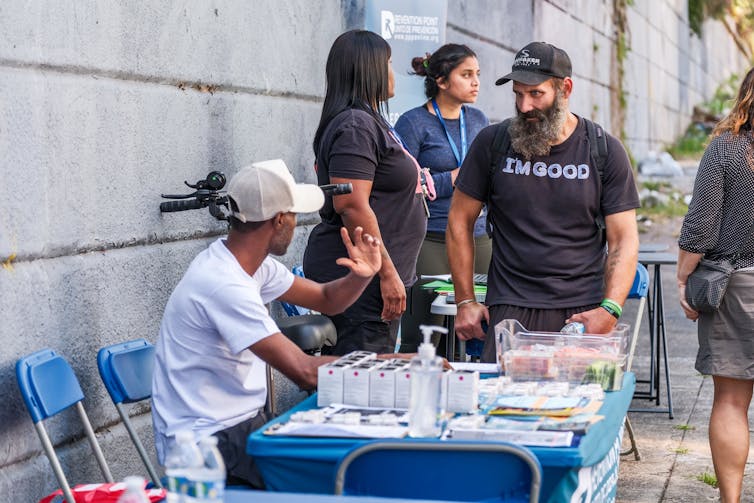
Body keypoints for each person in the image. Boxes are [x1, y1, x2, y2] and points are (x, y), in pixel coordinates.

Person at [152, 159, 388, 488]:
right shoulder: (223, 283)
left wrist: (361, 276)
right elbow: (304, 371)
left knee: (345, 457)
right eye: (293, 215)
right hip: (207, 445)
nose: (295, 222)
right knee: (344, 477)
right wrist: (389, 367)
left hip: (241, 427)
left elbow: (326, 298)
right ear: (279, 220)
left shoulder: (249, 264)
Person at [446, 41, 640, 362]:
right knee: (504, 409)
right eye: (518, 94)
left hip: (582, 312)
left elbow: (623, 239)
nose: (524, 106)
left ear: (565, 88)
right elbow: (459, 221)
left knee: (580, 410)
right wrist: (465, 300)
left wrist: (610, 308)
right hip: (509, 308)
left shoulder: (604, 150)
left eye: (536, 94)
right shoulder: (492, 143)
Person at [303, 30, 427, 355]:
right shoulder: (356, 126)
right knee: (361, 382)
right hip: (363, 279)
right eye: (387, 63)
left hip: (372, 279)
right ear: (369, 69)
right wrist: (386, 274)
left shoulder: (368, 121)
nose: (392, 72)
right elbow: (352, 205)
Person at [677, 67, 754, 503]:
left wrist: (684, 277)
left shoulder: (726, 149)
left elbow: (701, 225)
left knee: (730, 401)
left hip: (739, 287)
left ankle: (731, 500)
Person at [394, 44, 491, 353]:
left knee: (482, 326)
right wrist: (453, 178)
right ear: (441, 81)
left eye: (477, 74)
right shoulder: (412, 123)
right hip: (431, 238)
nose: (476, 82)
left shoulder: (478, 119)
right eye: (466, 75)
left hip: (478, 237)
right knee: (423, 334)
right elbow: (406, 183)